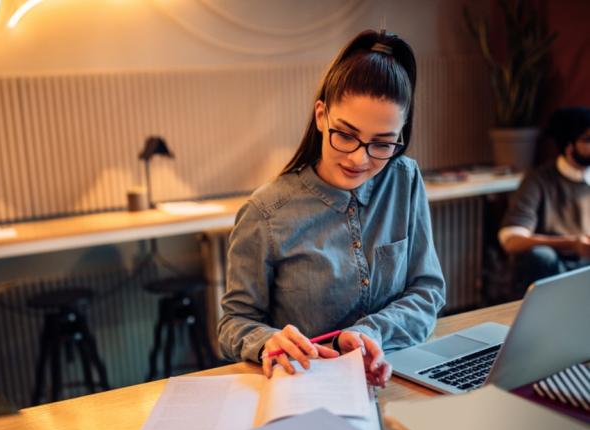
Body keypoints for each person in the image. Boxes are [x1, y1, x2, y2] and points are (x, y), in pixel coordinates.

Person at [218, 29, 446, 385]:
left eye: (382, 144)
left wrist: (371, 332)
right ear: (322, 116)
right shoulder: (265, 212)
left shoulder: (405, 178)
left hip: (399, 375)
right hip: (305, 386)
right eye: (346, 134)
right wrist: (266, 342)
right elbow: (233, 323)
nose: (359, 158)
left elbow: (427, 290)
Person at [499, 107, 590, 290]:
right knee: (540, 256)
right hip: (556, 269)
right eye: (587, 140)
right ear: (569, 146)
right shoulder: (538, 181)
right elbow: (511, 240)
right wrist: (572, 243)